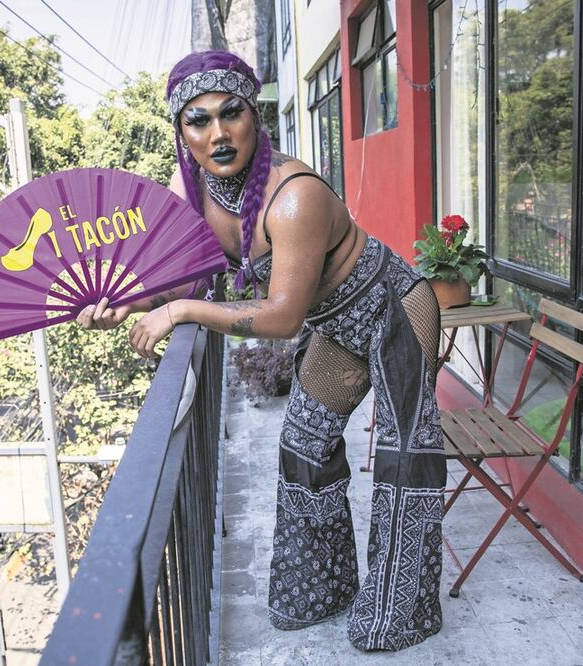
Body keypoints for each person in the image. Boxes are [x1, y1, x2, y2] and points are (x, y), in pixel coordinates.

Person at [77, 50, 445, 653]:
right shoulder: (194, 188)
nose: (217, 133)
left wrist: (184, 312)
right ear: (181, 132)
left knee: (404, 458)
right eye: (198, 120)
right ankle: (324, 588)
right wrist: (127, 304)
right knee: (303, 445)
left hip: (394, 312)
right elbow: (179, 279)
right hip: (334, 327)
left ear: (255, 116)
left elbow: (280, 316)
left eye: (231, 113)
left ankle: (400, 613)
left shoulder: (293, 195)